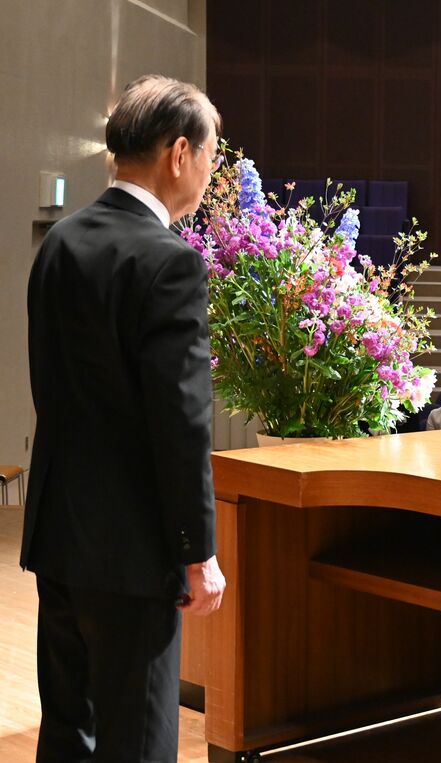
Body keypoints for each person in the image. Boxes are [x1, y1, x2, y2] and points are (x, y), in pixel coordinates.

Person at [23, 75, 226, 762]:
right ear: (179, 153)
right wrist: (198, 552)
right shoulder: (170, 261)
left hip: (59, 534)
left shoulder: (60, 242)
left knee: (67, 735)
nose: (210, 174)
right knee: (136, 744)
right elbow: (181, 423)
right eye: (210, 155)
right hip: (134, 550)